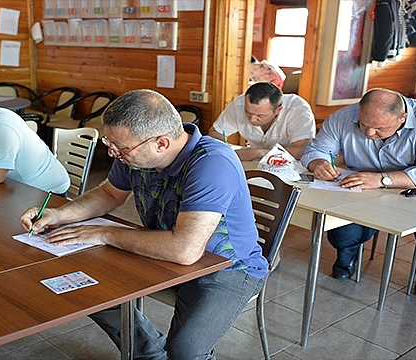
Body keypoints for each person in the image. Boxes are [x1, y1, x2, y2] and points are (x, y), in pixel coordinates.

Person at [20, 89, 267, 359]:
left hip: (228, 268)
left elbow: (185, 250)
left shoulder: (211, 163)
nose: (113, 154)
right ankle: (149, 354)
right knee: (89, 288)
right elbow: (109, 194)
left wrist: (104, 234)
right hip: (165, 249)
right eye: (109, 143)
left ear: (161, 143)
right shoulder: (137, 152)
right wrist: (59, 215)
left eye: (121, 148)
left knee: (185, 351)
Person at [300, 88, 416, 300]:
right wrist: (319, 164)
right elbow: (316, 150)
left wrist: (382, 179)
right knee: (341, 234)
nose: (369, 134)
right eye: (363, 125)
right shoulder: (344, 116)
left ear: (402, 118)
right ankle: (346, 256)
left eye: (379, 128)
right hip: (364, 186)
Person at [208, 81, 316, 160]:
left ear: (278, 110)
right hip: (253, 164)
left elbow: (302, 150)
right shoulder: (239, 104)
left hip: (290, 165)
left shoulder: (297, 109)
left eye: (260, 115)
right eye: (248, 112)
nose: (252, 119)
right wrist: (224, 151)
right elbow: (215, 132)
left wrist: (258, 153)